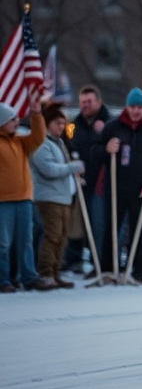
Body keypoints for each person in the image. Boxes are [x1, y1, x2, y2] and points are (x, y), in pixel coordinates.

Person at [92, 87, 142, 284]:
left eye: (140, 107)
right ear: (127, 107)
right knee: (112, 227)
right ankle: (109, 269)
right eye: (133, 107)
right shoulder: (114, 126)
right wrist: (106, 149)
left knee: (140, 229)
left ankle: (138, 271)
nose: (136, 111)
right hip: (116, 186)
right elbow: (95, 151)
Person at [0, 99, 57, 292]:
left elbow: (38, 138)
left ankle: (29, 276)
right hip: (3, 201)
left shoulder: (19, 141)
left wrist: (36, 115)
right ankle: (4, 279)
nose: (16, 122)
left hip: (24, 199)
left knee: (26, 241)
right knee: (4, 243)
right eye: (12, 119)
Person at [29, 103, 85, 289]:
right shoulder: (41, 143)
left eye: (64, 123)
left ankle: (55, 272)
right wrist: (73, 167)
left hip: (63, 198)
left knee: (62, 237)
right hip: (49, 198)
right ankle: (45, 273)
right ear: (47, 123)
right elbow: (48, 169)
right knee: (51, 236)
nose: (62, 126)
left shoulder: (59, 142)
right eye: (58, 123)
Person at [63, 84, 111, 274]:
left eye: (90, 101)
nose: (86, 105)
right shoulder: (75, 125)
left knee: (98, 224)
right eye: (83, 102)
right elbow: (69, 146)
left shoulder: (110, 122)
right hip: (79, 183)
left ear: (99, 102)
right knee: (75, 223)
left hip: (100, 184)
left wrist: (104, 131)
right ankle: (73, 259)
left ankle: (98, 262)